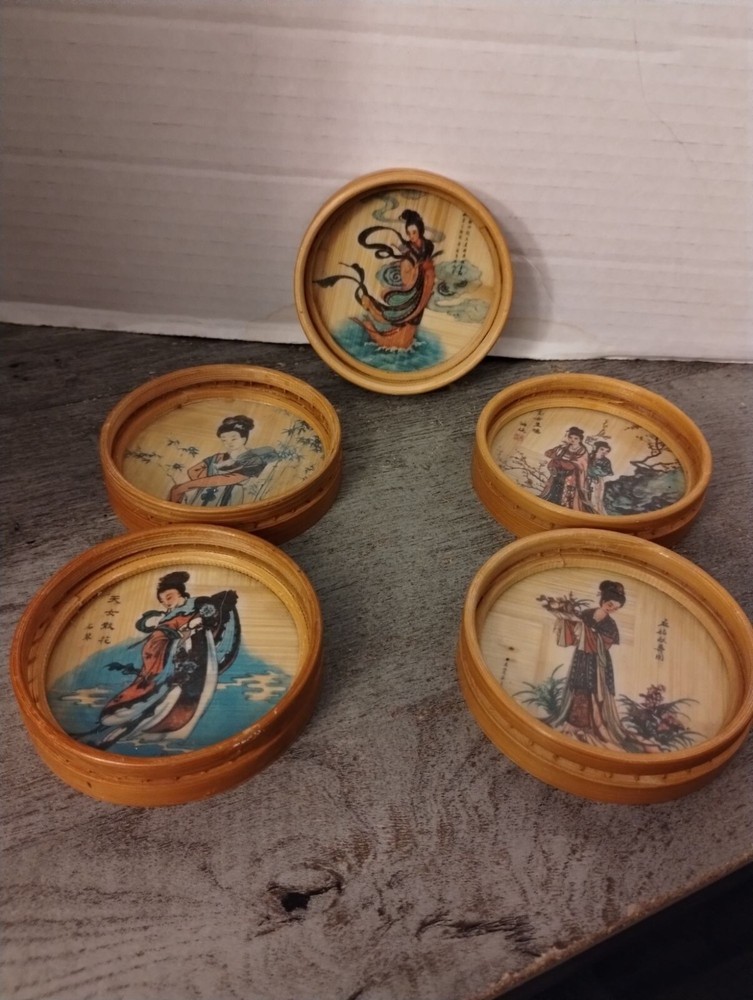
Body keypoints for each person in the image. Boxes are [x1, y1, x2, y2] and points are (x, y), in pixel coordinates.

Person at [89, 571, 240, 748]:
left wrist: (194, 624)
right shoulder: (169, 616)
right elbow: (160, 639)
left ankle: (154, 734)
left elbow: (213, 614)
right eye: (163, 601)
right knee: (161, 701)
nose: (167, 602)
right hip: (174, 663)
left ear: (181, 592)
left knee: (187, 696)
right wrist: (175, 634)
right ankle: (119, 735)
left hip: (197, 656)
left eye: (169, 596)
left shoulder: (199, 603)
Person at [314, 209, 439, 350]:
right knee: (403, 309)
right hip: (411, 286)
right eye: (408, 233)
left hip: (421, 286)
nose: (411, 237)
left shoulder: (428, 246)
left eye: (414, 232)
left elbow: (425, 265)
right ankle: (393, 331)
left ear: (420, 230)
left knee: (412, 313)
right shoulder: (408, 248)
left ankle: (403, 335)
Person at [546, 580, 631, 747]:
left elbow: (606, 643)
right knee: (579, 684)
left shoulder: (610, 624)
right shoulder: (586, 613)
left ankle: (593, 725)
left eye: (616, 608)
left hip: (599, 660)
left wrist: (591, 633)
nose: (611, 609)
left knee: (594, 688)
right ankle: (574, 722)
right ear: (603, 600)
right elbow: (574, 631)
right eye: (610, 604)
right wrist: (566, 618)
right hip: (582, 655)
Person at [168, 415, 277, 507]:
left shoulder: (254, 459)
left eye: (233, 439)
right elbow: (193, 471)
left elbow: (231, 478)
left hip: (230, 496)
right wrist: (206, 483)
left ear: (243, 439)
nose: (229, 443)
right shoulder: (218, 457)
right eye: (224, 440)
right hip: (204, 494)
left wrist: (189, 486)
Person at [539, 426, 591, 511]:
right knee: (555, 486)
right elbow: (549, 453)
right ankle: (552, 500)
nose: (572, 440)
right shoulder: (565, 446)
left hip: (573, 473)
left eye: (576, 438)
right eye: (570, 437)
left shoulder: (582, 450)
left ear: (580, 440)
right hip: (559, 471)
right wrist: (558, 454)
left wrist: (567, 463)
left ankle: (564, 504)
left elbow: (581, 464)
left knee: (566, 489)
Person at [586, 440, 614, 515]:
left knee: (595, 497)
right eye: (602, 449)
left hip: (597, 481)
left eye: (606, 451)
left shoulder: (606, 461)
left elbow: (608, 472)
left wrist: (596, 471)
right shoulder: (588, 456)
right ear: (596, 448)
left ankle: (595, 513)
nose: (604, 452)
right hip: (584, 477)